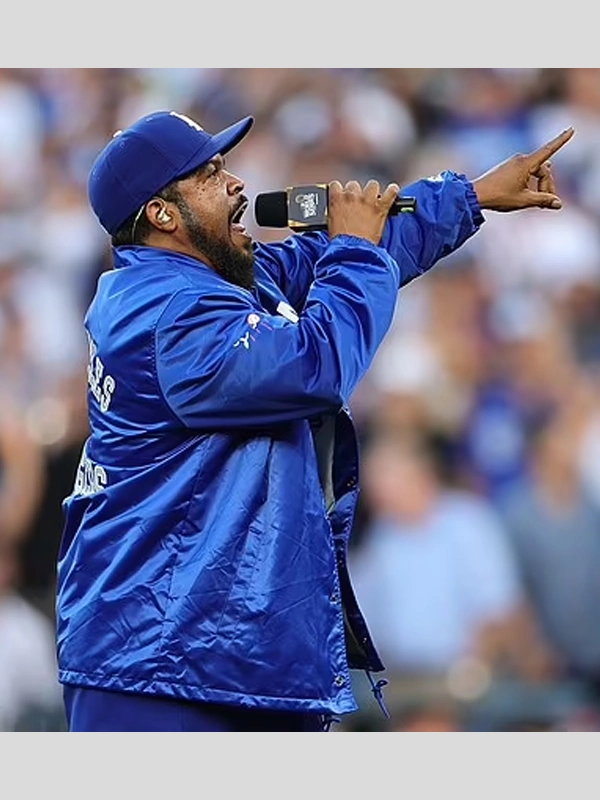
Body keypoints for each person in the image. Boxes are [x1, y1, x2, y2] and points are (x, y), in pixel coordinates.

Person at [55, 108, 574, 732]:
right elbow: (316, 364)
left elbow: (337, 256)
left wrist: (472, 194)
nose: (237, 183)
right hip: (158, 665)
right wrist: (354, 246)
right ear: (164, 214)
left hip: (207, 653)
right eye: (211, 173)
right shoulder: (169, 316)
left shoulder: (208, 288)